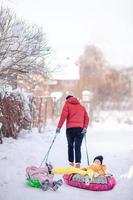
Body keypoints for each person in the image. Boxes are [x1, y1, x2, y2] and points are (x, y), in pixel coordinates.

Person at [56, 95, 89, 168]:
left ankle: (71, 165)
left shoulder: (67, 104)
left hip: (70, 129)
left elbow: (63, 116)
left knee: (70, 146)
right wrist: (85, 128)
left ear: (67, 99)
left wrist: (59, 127)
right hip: (80, 129)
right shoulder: (81, 107)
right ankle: (77, 165)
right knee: (78, 147)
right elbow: (87, 118)